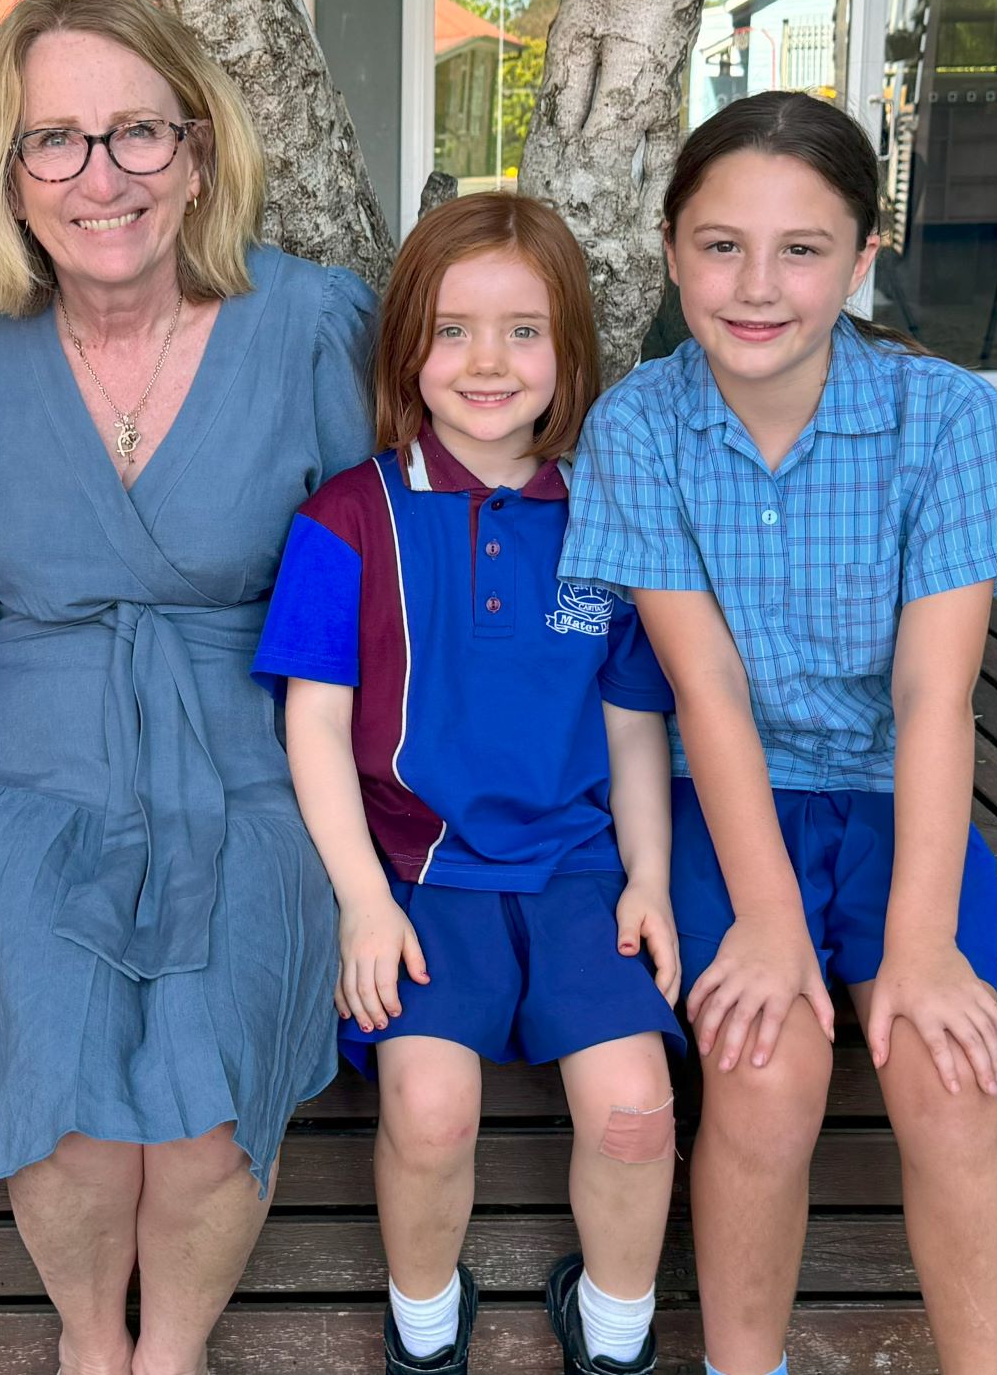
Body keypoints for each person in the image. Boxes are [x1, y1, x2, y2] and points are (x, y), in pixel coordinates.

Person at [0, 0, 376, 1375]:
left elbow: (393, 565)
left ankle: (176, 1354)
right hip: (15, 756)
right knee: (71, 1060)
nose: (104, 177)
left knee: (209, 1071)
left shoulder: (314, 324)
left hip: (261, 754)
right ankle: (96, 1346)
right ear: (8, 175)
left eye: (140, 133)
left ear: (200, 150)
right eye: (58, 141)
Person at [558, 91, 997, 1375]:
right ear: (670, 248)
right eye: (719, 244)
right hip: (726, 794)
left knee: (947, 1075)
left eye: (801, 249)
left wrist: (915, 945)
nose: (756, 286)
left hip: (904, 793)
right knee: (761, 1060)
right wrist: (772, 921)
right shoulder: (638, 426)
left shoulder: (944, 419)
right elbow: (706, 690)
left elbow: (930, 699)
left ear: (860, 255)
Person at [254, 193, 683, 1375]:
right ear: (405, 351)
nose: (486, 361)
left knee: (635, 1111)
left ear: (569, 352)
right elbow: (314, 727)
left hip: (575, 872)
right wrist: (359, 897)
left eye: (522, 330)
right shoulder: (346, 518)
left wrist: (647, 875)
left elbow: (633, 716)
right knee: (431, 1109)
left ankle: (610, 1334)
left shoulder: (606, 514)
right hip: (416, 873)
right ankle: (425, 1331)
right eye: (451, 330)